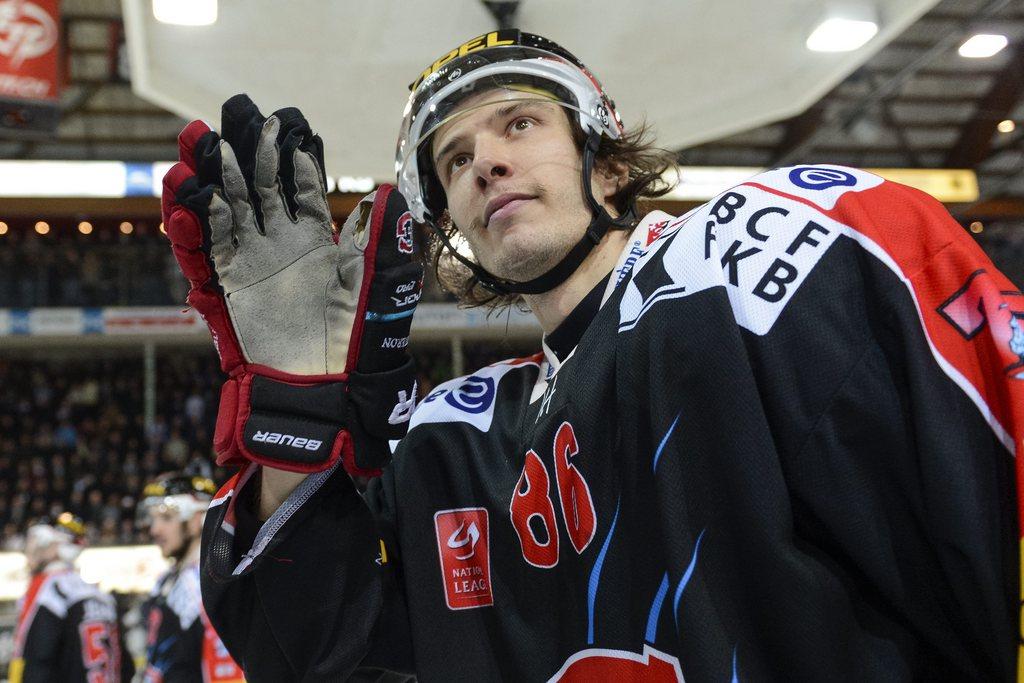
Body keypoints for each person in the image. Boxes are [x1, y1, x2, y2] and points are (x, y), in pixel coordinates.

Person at [161, 30, 1023, 681]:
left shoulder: (759, 253)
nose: (486, 163)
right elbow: (312, 652)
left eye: (519, 123)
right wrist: (297, 418)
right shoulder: (450, 439)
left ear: (605, 164)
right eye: (454, 160)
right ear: (449, 223)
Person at [138, 472, 245, 682]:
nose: (155, 529)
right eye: (153, 519)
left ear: (198, 519)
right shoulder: (168, 579)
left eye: (167, 517)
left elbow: (224, 672)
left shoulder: (210, 583)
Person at [8, 513, 132, 682]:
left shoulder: (48, 589)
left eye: (36, 544)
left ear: (54, 546)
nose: (29, 554)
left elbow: (38, 660)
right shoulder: (100, 595)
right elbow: (125, 665)